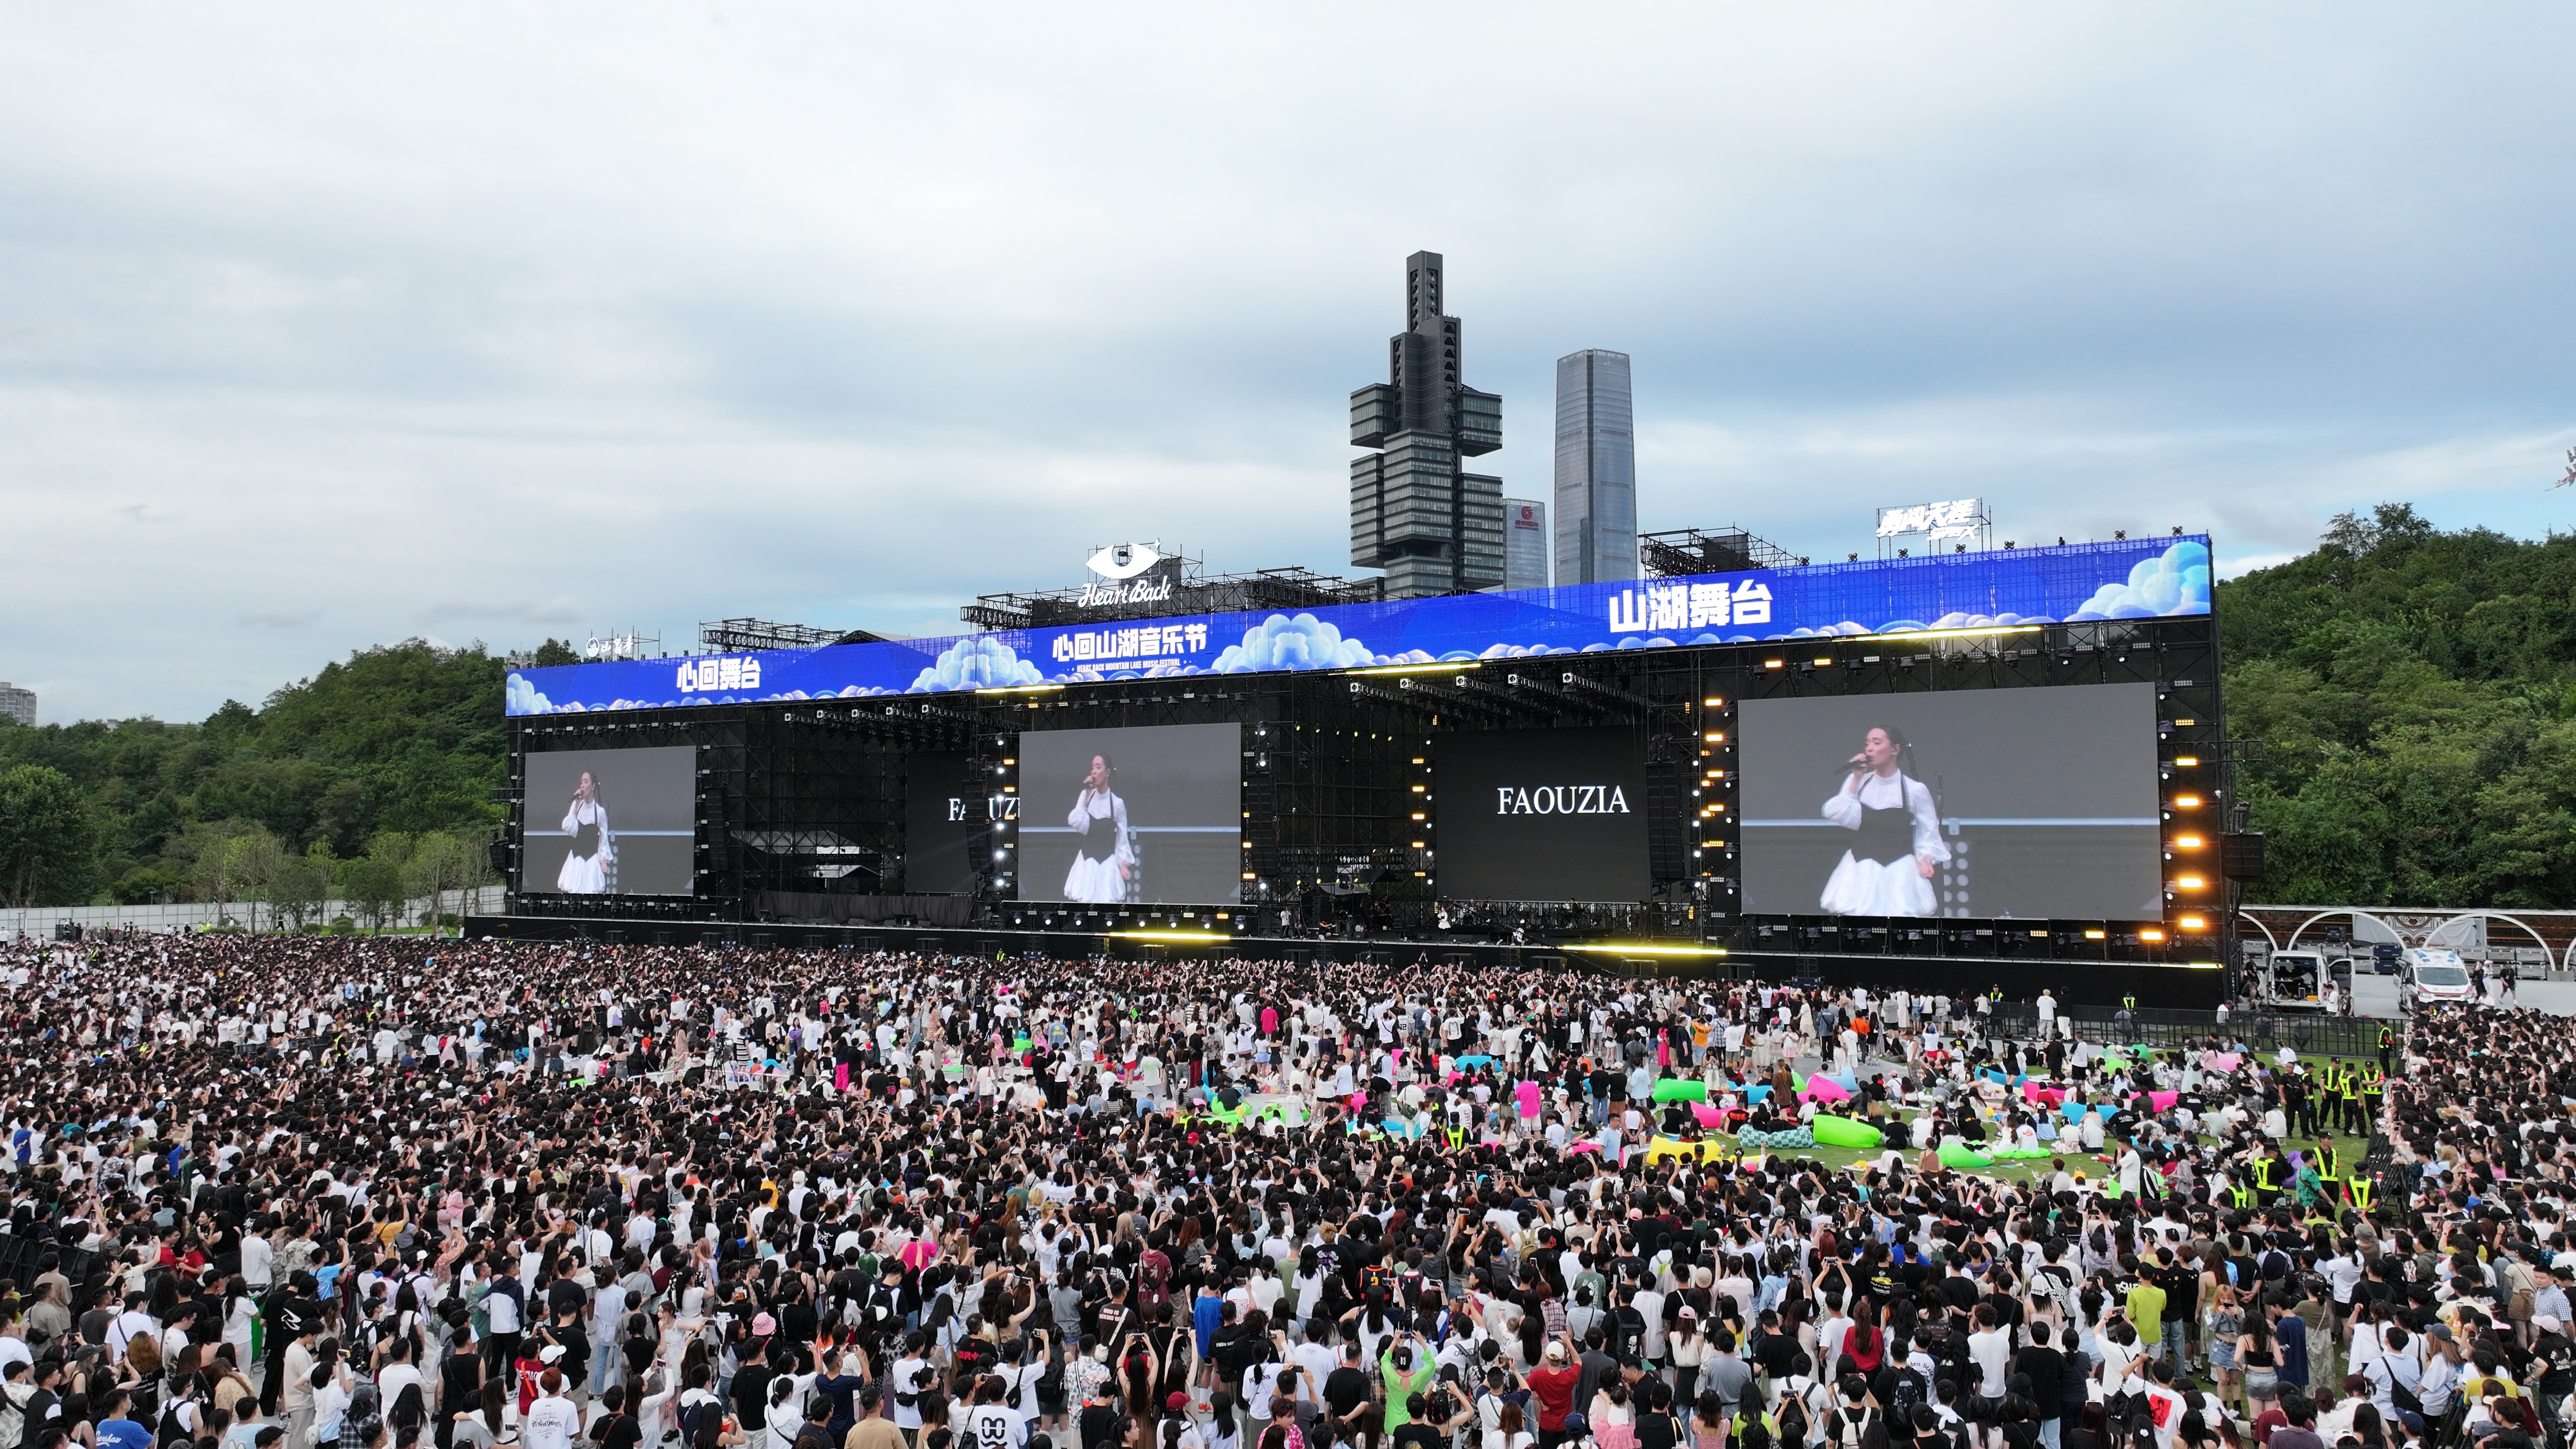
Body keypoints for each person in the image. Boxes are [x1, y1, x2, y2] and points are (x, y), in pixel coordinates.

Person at [1818, 726, 1949, 917]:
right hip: (1860, 866)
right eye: (1867, 743)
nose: (1869, 748)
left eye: (1877, 743)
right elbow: (1836, 812)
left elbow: (1928, 829)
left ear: (1895, 750)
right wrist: (1855, 778)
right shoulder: (1860, 782)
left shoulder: (1915, 790)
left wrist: (1926, 858)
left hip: (1899, 867)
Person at [1062, 755, 1134, 904]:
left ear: (1107, 772)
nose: (1094, 771)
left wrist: (1123, 863)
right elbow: (1075, 821)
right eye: (1093, 767)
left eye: (1098, 767)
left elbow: (1122, 837)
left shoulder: (1117, 804)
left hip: (1107, 862)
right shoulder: (1086, 796)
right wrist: (1087, 793)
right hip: (1087, 861)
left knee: (1106, 901)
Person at [558, 771, 617, 894]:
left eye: (586, 782)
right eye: (581, 783)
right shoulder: (577, 806)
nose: (583, 786)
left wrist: (603, 859)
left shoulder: (600, 812)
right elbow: (567, 826)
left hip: (591, 860)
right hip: (575, 859)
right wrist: (575, 803)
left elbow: (603, 838)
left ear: (593, 786)